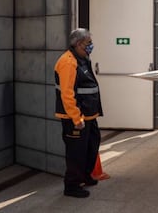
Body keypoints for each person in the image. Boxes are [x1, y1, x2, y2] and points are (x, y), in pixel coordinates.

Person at [54, 28, 104, 198]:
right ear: (77, 44)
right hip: (75, 117)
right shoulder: (68, 62)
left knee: (91, 146)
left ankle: (85, 176)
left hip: (89, 114)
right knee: (76, 152)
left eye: (90, 42)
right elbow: (67, 93)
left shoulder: (82, 58)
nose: (91, 46)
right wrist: (76, 118)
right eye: (88, 43)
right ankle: (72, 185)